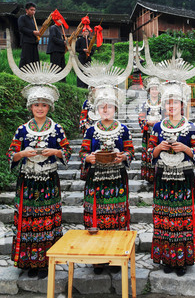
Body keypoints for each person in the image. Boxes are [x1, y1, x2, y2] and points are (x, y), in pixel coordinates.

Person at [6, 84, 72, 279]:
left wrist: (56, 152)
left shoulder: (57, 129)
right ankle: (28, 261)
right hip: (28, 180)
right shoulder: (22, 130)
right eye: (36, 105)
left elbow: (67, 151)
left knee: (47, 219)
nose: (40, 108)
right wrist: (22, 153)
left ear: (49, 107)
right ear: (31, 107)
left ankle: (45, 261)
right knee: (28, 219)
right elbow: (11, 154)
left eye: (44, 105)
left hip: (49, 180)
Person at [148, 81, 195, 277]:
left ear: (182, 105)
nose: (171, 106)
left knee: (183, 220)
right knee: (164, 219)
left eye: (175, 103)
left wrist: (186, 149)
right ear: (164, 105)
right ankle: (167, 259)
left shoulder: (191, 128)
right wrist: (159, 148)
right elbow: (149, 154)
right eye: (168, 103)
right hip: (163, 179)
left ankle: (182, 260)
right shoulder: (157, 127)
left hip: (184, 179)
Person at [79, 85, 134, 274]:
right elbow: (82, 153)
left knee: (117, 217)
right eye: (102, 106)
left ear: (115, 109)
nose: (105, 110)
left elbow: (130, 151)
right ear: (96, 109)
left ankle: (116, 257)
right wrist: (88, 158)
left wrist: (124, 156)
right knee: (96, 218)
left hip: (117, 179)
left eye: (109, 106)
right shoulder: (90, 131)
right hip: (96, 180)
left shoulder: (124, 130)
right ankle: (97, 259)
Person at [138, 76, 162, 183]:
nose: (154, 91)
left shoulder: (163, 103)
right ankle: (150, 176)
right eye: (152, 89)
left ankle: (160, 174)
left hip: (160, 134)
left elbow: (167, 117)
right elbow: (141, 117)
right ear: (149, 91)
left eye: (156, 89)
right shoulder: (145, 104)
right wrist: (147, 123)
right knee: (149, 152)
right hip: (148, 134)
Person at [18, 2, 41, 68]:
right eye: (31, 10)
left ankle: (33, 75)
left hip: (34, 42)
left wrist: (37, 34)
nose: (33, 11)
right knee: (26, 59)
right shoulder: (22, 18)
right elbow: (21, 28)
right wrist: (33, 32)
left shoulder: (33, 20)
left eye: (34, 10)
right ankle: (22, 75)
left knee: (35, 60)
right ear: (26, 10)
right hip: (26, 42)